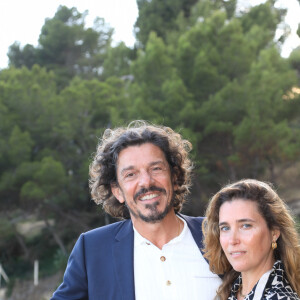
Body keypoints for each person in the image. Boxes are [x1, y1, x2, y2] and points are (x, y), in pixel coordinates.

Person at [51, 120, 221, 300]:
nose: (146, 182)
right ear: (117, 191)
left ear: (175, 177)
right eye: (131, 174)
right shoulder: (92, 250)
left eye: (156, 168)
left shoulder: (219, 235)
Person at [202, 179, 300, 300]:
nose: (232, 240)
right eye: (225, 228)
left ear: (274, 233)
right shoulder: (229, 290)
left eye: (246, 225)